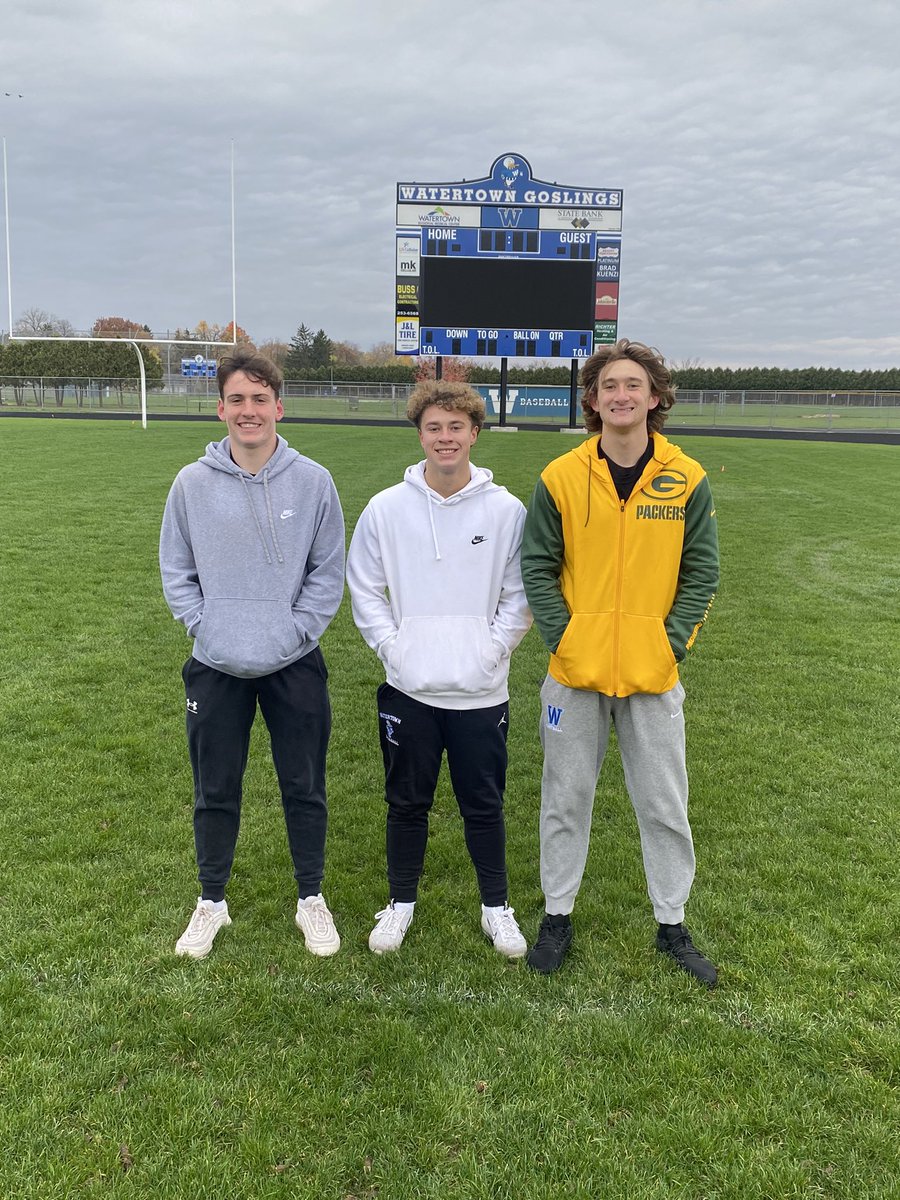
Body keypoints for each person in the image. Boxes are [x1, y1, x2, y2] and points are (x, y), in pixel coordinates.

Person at [521, 339, 719, 985]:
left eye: (634, 384)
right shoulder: (560, 476)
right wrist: (565, 640)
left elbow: (702, 571)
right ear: (593, 398)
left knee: (664, 803)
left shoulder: (686, 477)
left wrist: (669, 643)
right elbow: (537, 566)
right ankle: (557, 915)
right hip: (573, 676)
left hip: (652, 676)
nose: (621, 395)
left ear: (655, 397)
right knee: (565, 799)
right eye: (609, 385)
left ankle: (672, 923)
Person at [160, 349, 345, 960]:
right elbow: (176, 569)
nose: (249, 410)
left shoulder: (313, 481)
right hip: (215, 665)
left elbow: (327, 572)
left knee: (304, 785)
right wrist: (206, 627)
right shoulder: (191, 484)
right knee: (214, 788)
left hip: (294, 662)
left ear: (278, 407)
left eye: (259, 399)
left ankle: (311, 897)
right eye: (237, 399)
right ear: (220, 408)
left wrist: (295, 632)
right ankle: (211, 901)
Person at [346, 380, 532, 957]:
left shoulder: (506, 511)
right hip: (409, 690)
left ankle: (496, 908)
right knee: (406, 803)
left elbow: (520, 595)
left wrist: (491, 651)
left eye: (456, 427)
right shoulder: (385, 508)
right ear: (420, 434)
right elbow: (364, 589)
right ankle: (400, 904)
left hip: (480, 692)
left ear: (475, 433)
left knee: (484, 805)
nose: (445, 437)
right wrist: (394, 649)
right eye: (434, 427)